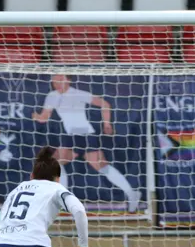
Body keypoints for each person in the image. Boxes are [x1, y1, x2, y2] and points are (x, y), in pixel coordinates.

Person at [32, 74, 141, 213]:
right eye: (54, 81)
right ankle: (62, 201)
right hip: (70, 136)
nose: (57, 83)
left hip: (85, 135)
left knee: (102, 166)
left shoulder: (78, 94)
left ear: (68, 80)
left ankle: (132, 194)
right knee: (57, 164)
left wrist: (106, 124)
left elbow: (105, 104)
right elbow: (44, 117)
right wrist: (35, 116)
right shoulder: (52, 96)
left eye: (60, 80)